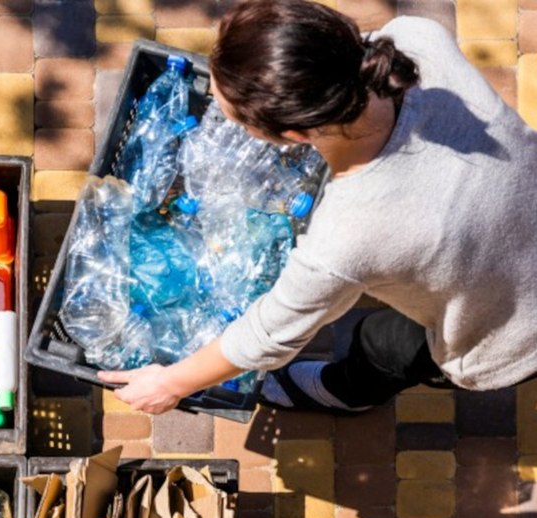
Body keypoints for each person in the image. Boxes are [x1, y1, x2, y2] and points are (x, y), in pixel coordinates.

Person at [97, 0, 537, 415]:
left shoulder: (348, 235)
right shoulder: (416, 39)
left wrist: (172, 383)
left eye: (235, 120)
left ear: (292, 137)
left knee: (380, 345)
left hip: (515, 334)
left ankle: (347, 394)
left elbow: (267, 336)